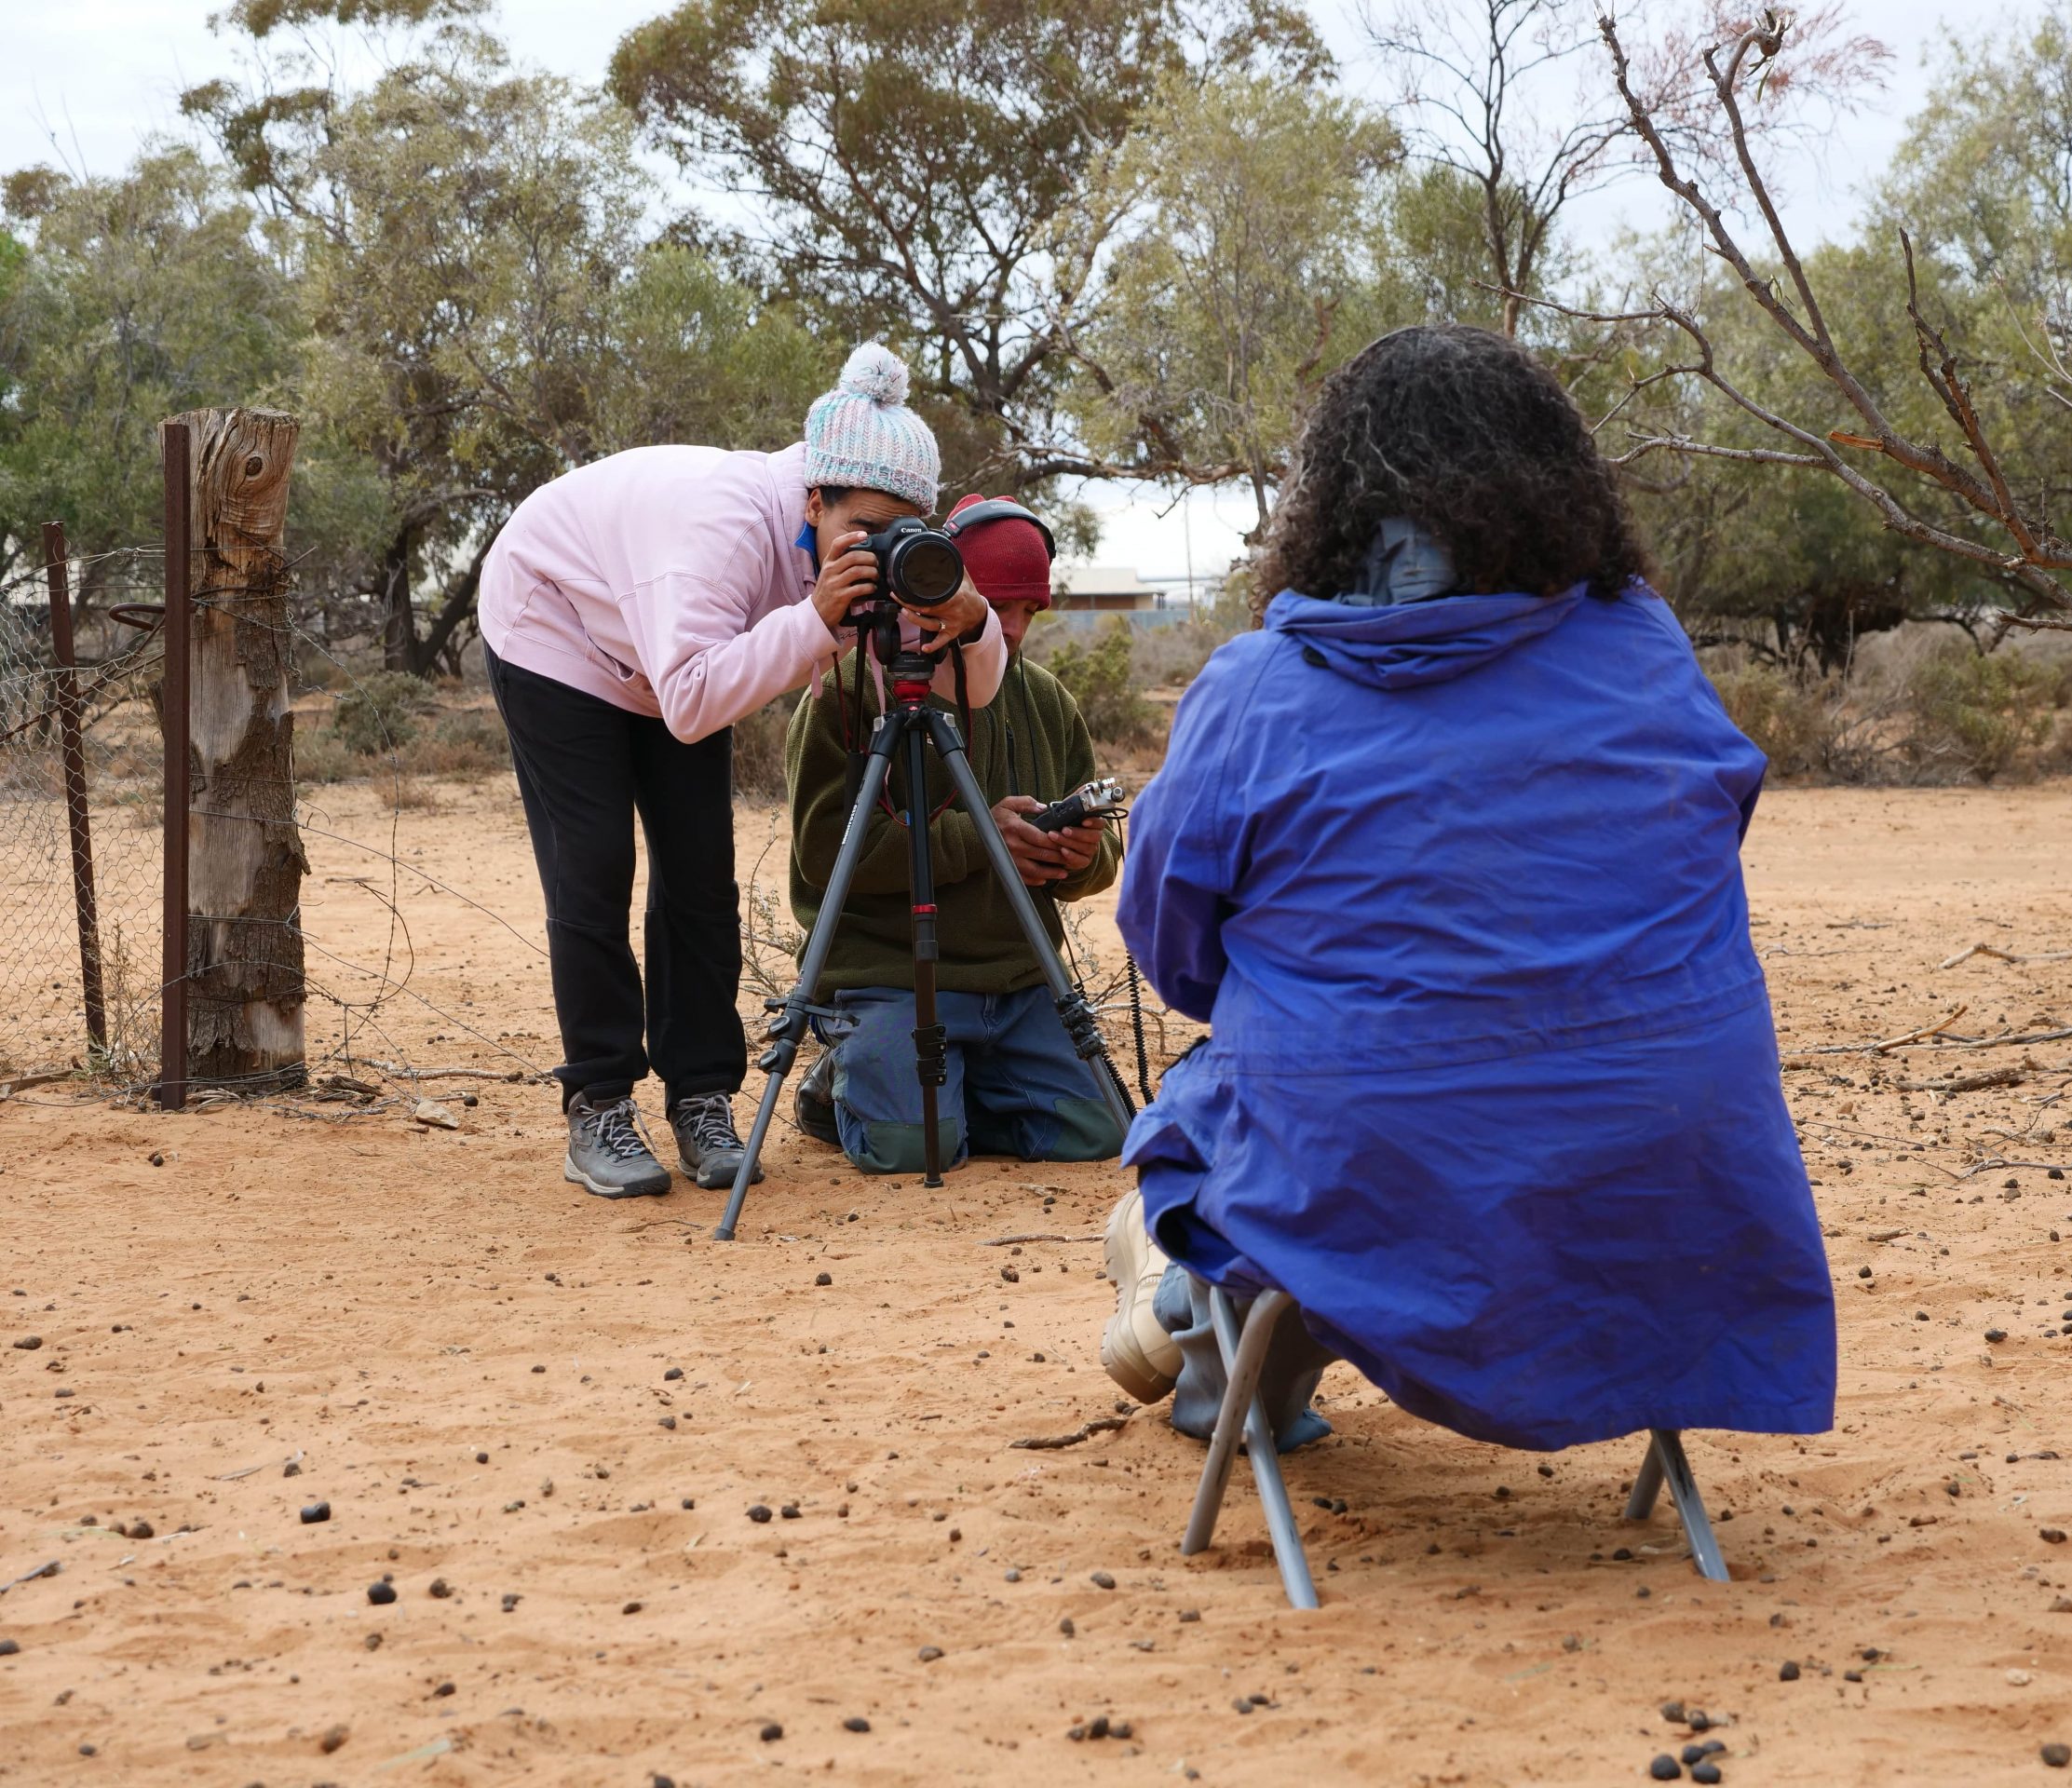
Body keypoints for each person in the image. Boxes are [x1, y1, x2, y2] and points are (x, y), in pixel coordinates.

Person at [1097, 323, 1836, 1457]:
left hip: (1372, 1171)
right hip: (1668, 1175)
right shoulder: (1643, 648)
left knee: (1234, 1124)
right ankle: (1204, 1336)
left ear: (1332, 505)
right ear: (1555, 488)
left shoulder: (1259, 690)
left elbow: (1172, 947)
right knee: (1382, 1110)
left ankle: (1207, 1358)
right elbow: (1708, 836)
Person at [480, 344, 1006, 1199]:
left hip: (674, 657)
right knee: (594, 864)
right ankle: (600, 1101)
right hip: (559, 623)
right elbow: (691, 702)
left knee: (699, 874)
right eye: (857, 531)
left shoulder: (874, 547)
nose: (874, 550)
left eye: (898, 532)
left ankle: (700, 1098)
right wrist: (815, 618)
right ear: (812, 502)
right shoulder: (720, 531)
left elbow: (968, 688)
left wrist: (969, 618)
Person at [783, 493, 1128, 1175]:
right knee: (913, 1151)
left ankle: (947, 1093)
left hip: (1018, 981)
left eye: (1030, 610)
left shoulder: (1046, 700)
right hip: (891, 978)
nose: (1016, 628)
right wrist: (982, 840)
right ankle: (838, 1087)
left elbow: (1098, 863)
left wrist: (1081, 856)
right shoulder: (853, 689)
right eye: (998, 606)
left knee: (1100, 1131)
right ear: (937, 582)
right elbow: (825, 853)